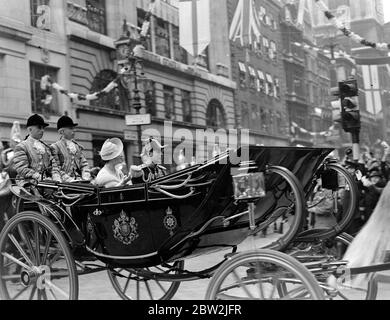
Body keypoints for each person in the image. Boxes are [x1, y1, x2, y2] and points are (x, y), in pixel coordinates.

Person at [13, 114, 62, 187]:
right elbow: (21, 168)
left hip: (47, 183)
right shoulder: (21, 147)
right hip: (28, 183)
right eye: (39, 127)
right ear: (30, 129)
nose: (42, 130)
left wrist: (56, 177)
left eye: (43, 128)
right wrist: (38, 177)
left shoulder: (46, 147)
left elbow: (54, 166)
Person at [51, 115, 91, 182]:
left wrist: (85, 176)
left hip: (79, 181)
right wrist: (69, 180)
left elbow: (84, 164)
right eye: (70, 128)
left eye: (73, 128)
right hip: (64, 183)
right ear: (62, 131)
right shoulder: (55, 147)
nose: (74, 130)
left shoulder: (77, 147)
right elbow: (56, 168)